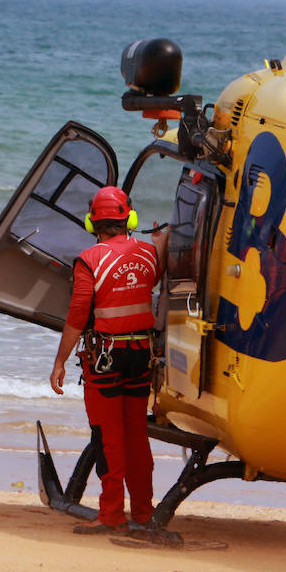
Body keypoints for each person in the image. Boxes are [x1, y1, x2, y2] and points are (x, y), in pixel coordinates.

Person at [48, 186, 167, 534]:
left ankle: (112, 514)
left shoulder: (90, 260)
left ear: (92, 222)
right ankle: (143, 513)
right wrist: (160, 239)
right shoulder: (149, 255)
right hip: (141, 356)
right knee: (136, 436)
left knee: (108, 435)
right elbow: (151, 279)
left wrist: (60, 361)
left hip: (105, 359)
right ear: (128, 218)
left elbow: (76, 314)